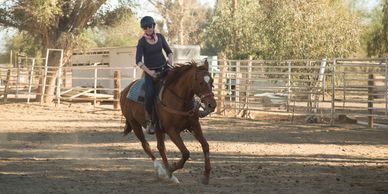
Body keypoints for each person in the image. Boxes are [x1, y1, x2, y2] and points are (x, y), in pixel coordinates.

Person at [135, 16, 173, 134]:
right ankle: (149, 121)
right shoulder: (141, 42)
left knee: (178, 84)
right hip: (150, 72)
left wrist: (170, 60)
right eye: (145, 27)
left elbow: (169, 51)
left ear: (153, 26)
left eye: (149, 26)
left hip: (164, 69)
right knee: (150, 94)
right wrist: (149, 72)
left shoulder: (161, 37)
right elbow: (138, 61)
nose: (148, 29)